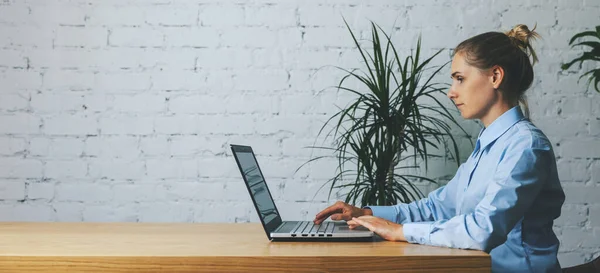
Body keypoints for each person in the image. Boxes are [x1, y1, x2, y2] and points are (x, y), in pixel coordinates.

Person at [313, 24, 565, 273]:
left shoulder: (525, 147)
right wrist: (365, 212)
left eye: (460, 79)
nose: (451, 92)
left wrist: (400, 231)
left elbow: (483, 230)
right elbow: (436, 208)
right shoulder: (489, 144)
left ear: (495, 77)